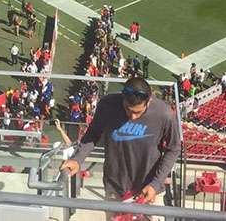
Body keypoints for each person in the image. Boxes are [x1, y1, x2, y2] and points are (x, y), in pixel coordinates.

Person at [61, 77, 180, 216]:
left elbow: (174, 147)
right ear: (122, 99)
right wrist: (77, 158)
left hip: (149, 191)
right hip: (115, 188)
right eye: (129, 110)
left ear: (149, 101)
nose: (133, 117)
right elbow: (93, 133)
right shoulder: (107, 105)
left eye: (138, 112)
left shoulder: (164, 113)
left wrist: (156, 183)